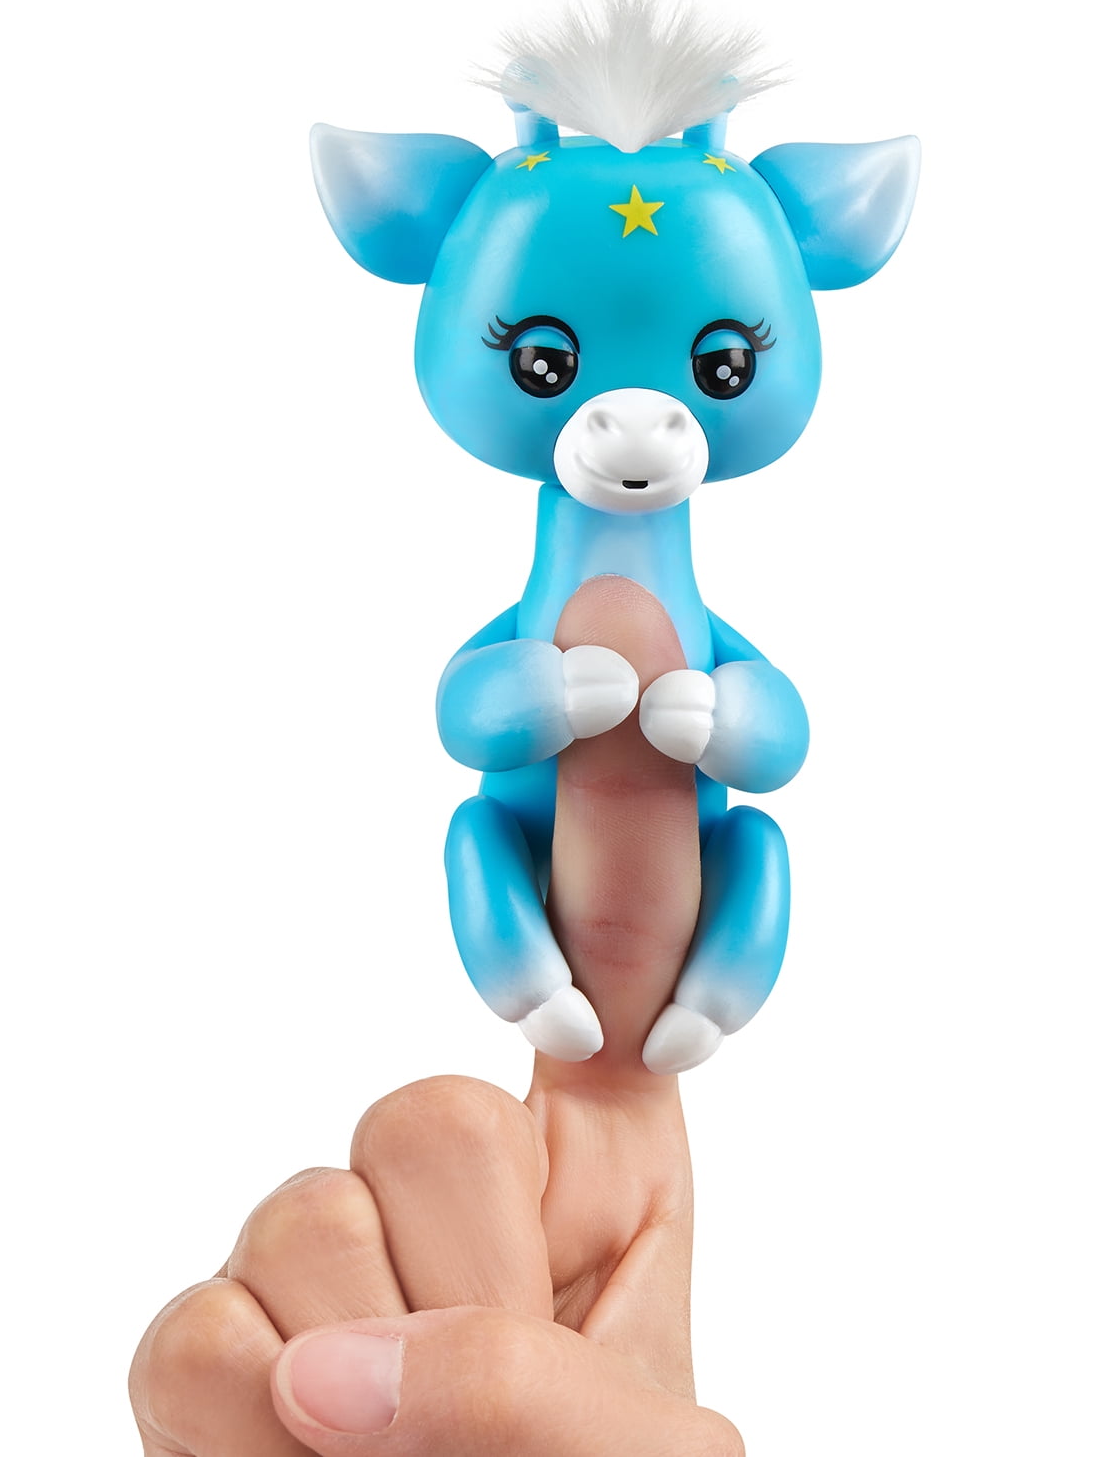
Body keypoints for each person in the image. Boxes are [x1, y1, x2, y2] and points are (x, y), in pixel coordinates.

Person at [129, 578, 746, 1455]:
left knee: (756, 850)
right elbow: (466, 710)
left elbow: (778, 737)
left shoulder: (699, 631)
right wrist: (544, 695)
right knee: (475, 834)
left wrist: (730, 719)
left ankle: (723, 983)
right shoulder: (533, 623)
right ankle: (526, 974)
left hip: (676, 955)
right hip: (533, 890)